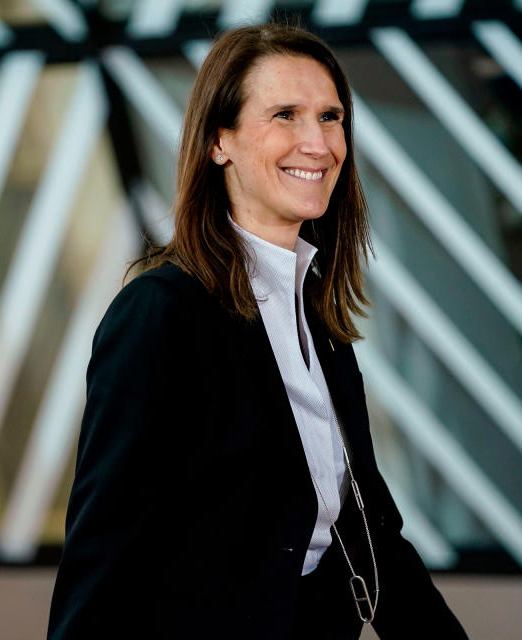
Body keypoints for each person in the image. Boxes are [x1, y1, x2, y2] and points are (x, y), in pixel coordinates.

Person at [47, 23, 468, 640]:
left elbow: (366, 529)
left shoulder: (318, 318)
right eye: (285, 115)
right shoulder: (160, 314)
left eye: (330, 117)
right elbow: (105, 550)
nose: (317, 143)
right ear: (220, 140)